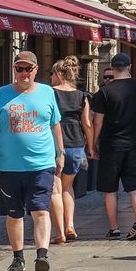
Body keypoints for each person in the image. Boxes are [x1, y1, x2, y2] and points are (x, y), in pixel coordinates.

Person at [0, 50, 63, 271]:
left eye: (28, 69)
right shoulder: (1, 95)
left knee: (40, 210)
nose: (24, 73)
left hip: (41, 164)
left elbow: (55, 124)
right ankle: (18, 258)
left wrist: (61, 152)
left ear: (36, 70)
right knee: (14, 214)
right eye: (20, 69)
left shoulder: (47, 92)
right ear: (14, 70)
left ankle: (42, 256)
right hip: (9, 167)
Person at [89, 53, 136, 240]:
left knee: (110, 189)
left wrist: (92, 144)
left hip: (111, 145)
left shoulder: (104, 92)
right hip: (134, 143)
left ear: (112, 68)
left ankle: (114, 228)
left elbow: (97, 121)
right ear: (129, 67)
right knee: (135, 185)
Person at [49, 57, 91, 243]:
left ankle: (59, 232)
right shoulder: (82, 95)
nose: (50, 77)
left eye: (52, 74)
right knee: (68, 187)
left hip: (54, 145)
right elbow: (87, 123)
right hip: (76, 143)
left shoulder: (50, 93)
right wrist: (91, 145)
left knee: (55, 189)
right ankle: (70, 225)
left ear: (59, 74)